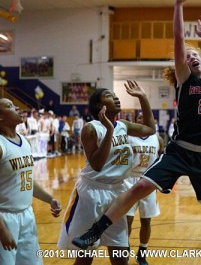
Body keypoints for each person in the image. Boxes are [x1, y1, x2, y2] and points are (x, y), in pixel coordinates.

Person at [72, 0, 201, 265]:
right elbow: (177, 37)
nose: (192, 57)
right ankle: (95, 231)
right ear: (181, 68)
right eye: (187, 56)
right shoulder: (185, 82)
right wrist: (178, 5)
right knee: (139, 188)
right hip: (180, 150)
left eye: (195, 54)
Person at [57, 80, 156, 265]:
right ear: (98, 105)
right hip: (92, 194)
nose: (116, 97)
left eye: (115, 95)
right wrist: (109, 129)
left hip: (116, 193)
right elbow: (97, 165)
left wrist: (143, 97)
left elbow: (150, 129)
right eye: (109, 95)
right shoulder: (91, 128)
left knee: (120, 254)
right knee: (85, 256)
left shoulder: (124, 125)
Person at [0, 98, 62, 265]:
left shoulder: (24, 141)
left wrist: (50, 199)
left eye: (14, 105)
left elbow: (26, 181)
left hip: (26, 216)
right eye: (10, 106)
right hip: (0, 218)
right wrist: (1, 228)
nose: (17, 108)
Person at [125, 112, 165, 265]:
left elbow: (161, 160)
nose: (142, 119)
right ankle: (125, 251)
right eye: (139, 118)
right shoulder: (129, 137)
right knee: (127, 220)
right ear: (136, 122)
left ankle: (142, 253)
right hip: (130, 180)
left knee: (146, 221)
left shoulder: (158, 139)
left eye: (145, 117)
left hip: (148, 180)